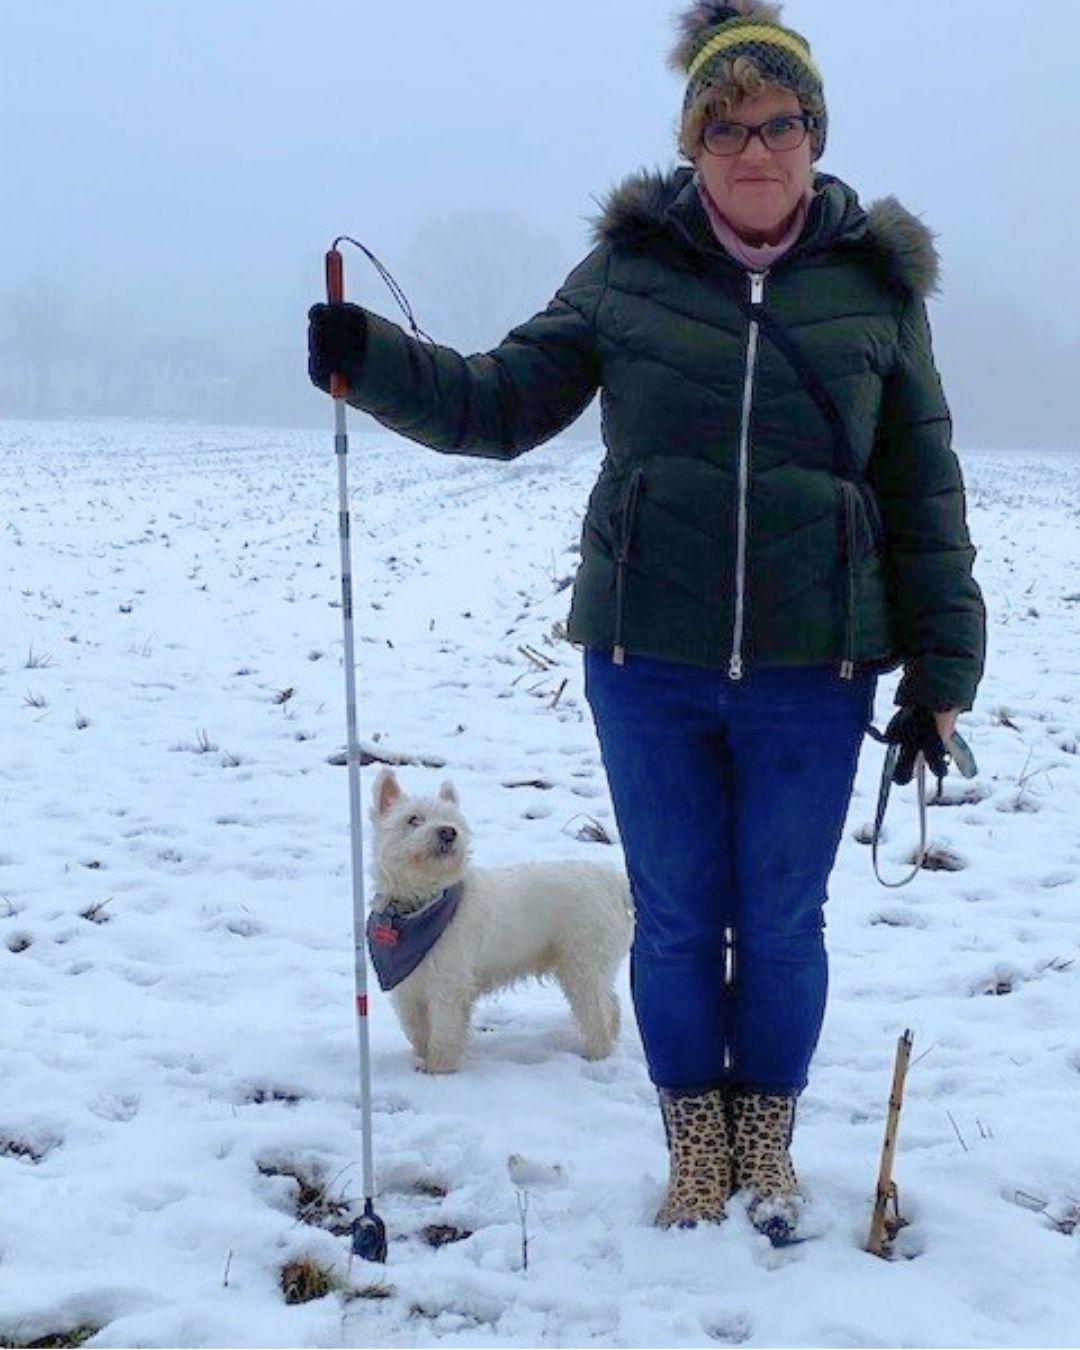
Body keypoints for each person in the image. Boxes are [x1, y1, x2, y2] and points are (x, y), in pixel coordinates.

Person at [308, 0, 986, 1244]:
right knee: (674, 918)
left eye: (781, 122)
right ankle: (694, 1143)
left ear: (817, 135)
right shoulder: (629, 269)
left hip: (812, 667)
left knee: (781, 919)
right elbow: (506, 401)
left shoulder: (875, 286)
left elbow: (922, 485)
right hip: (649, 662)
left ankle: (765, 1137)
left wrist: (943, 668)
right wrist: (379, 361)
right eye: (726, 126)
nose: (755, 149)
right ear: (693, 142)